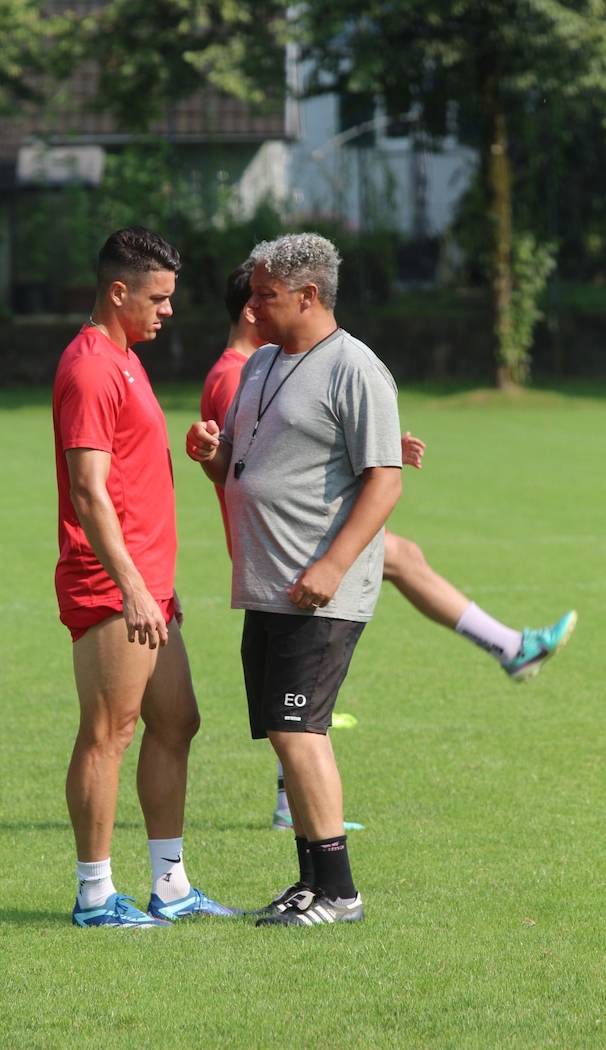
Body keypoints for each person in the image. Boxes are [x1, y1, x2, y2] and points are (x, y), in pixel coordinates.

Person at [202, 264, 578, 835]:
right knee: (298, 714)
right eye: (256, 297)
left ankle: (509, 647)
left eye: (266, 294)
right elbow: (260, 462)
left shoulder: (301, 364)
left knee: (400, 562)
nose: (260, 306)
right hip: (285, 549)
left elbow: (304, 441)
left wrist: (373, 440)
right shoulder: (245, 373)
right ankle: (508, 646)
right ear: (250, 309)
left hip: (301, 542)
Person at [188, 232, 404, 926]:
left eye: (265, 295)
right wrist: (212, 458)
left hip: (320, 590)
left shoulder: (355, 369)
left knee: (300, 727)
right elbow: (243, 473)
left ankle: (339, 891)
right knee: (286, 732)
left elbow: (384, 480)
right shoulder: (260, 367)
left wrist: (333, 564)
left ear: (309, 295)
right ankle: (310, 883)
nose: (252, 308)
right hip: (269, 581)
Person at [53, 225, 236, 927]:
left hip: (147, 583)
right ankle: (96, 895)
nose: (168, 310)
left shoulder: (124, 359)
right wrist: (130, 582)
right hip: (109, 587)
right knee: (108, 733)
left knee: (178, 721)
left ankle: (170, 886)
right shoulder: (91, 367)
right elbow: (90, 491)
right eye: (157, 298)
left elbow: (130, 472)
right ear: (117, 290)